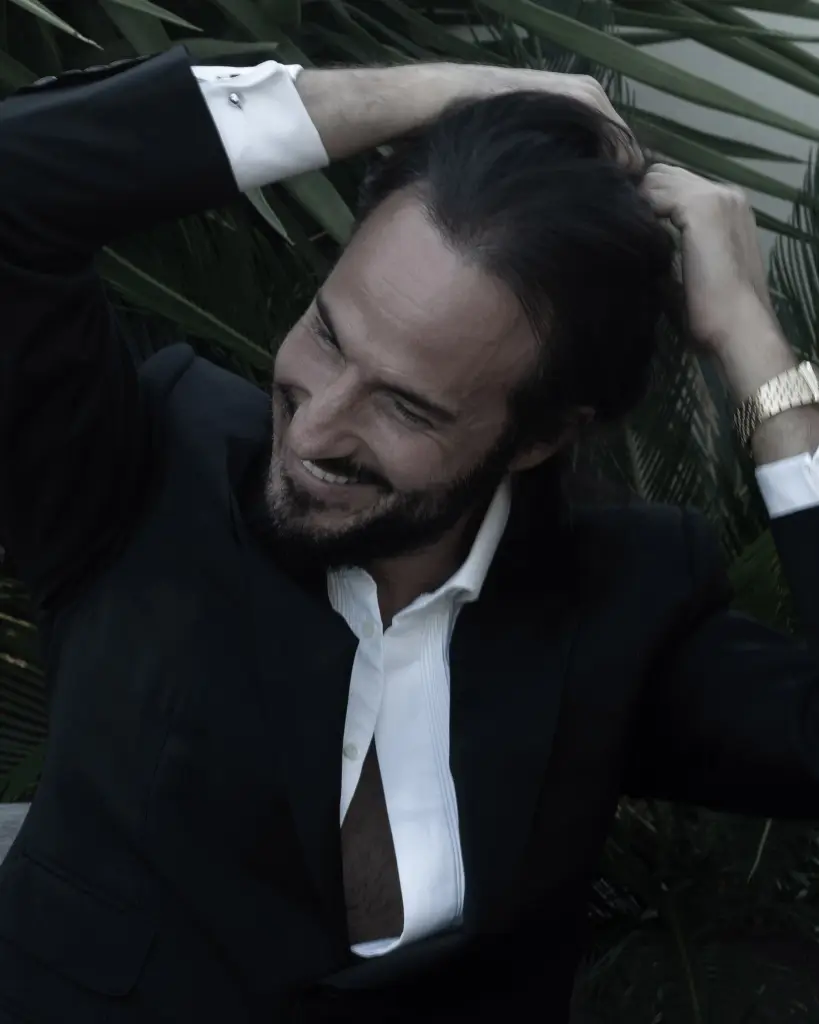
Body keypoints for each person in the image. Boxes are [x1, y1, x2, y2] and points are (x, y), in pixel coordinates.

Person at [0, 44, 817, 1024]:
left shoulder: (620, 604)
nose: (315, 429)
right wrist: (442, 91)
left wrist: (755, 348)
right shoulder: (146, 469)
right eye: (328, 334)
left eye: (406, 407)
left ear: (540, 438)